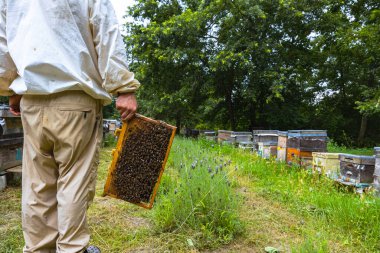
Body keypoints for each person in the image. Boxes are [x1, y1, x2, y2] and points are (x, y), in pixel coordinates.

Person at [0, 0, 140, 252]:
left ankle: (39, 248)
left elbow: (3, 42)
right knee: (73, 182)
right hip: (76, 100)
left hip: (32, 100)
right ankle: (72, 249)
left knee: (37, 186)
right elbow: (106, 29)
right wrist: (124, 87)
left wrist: (10, 87)